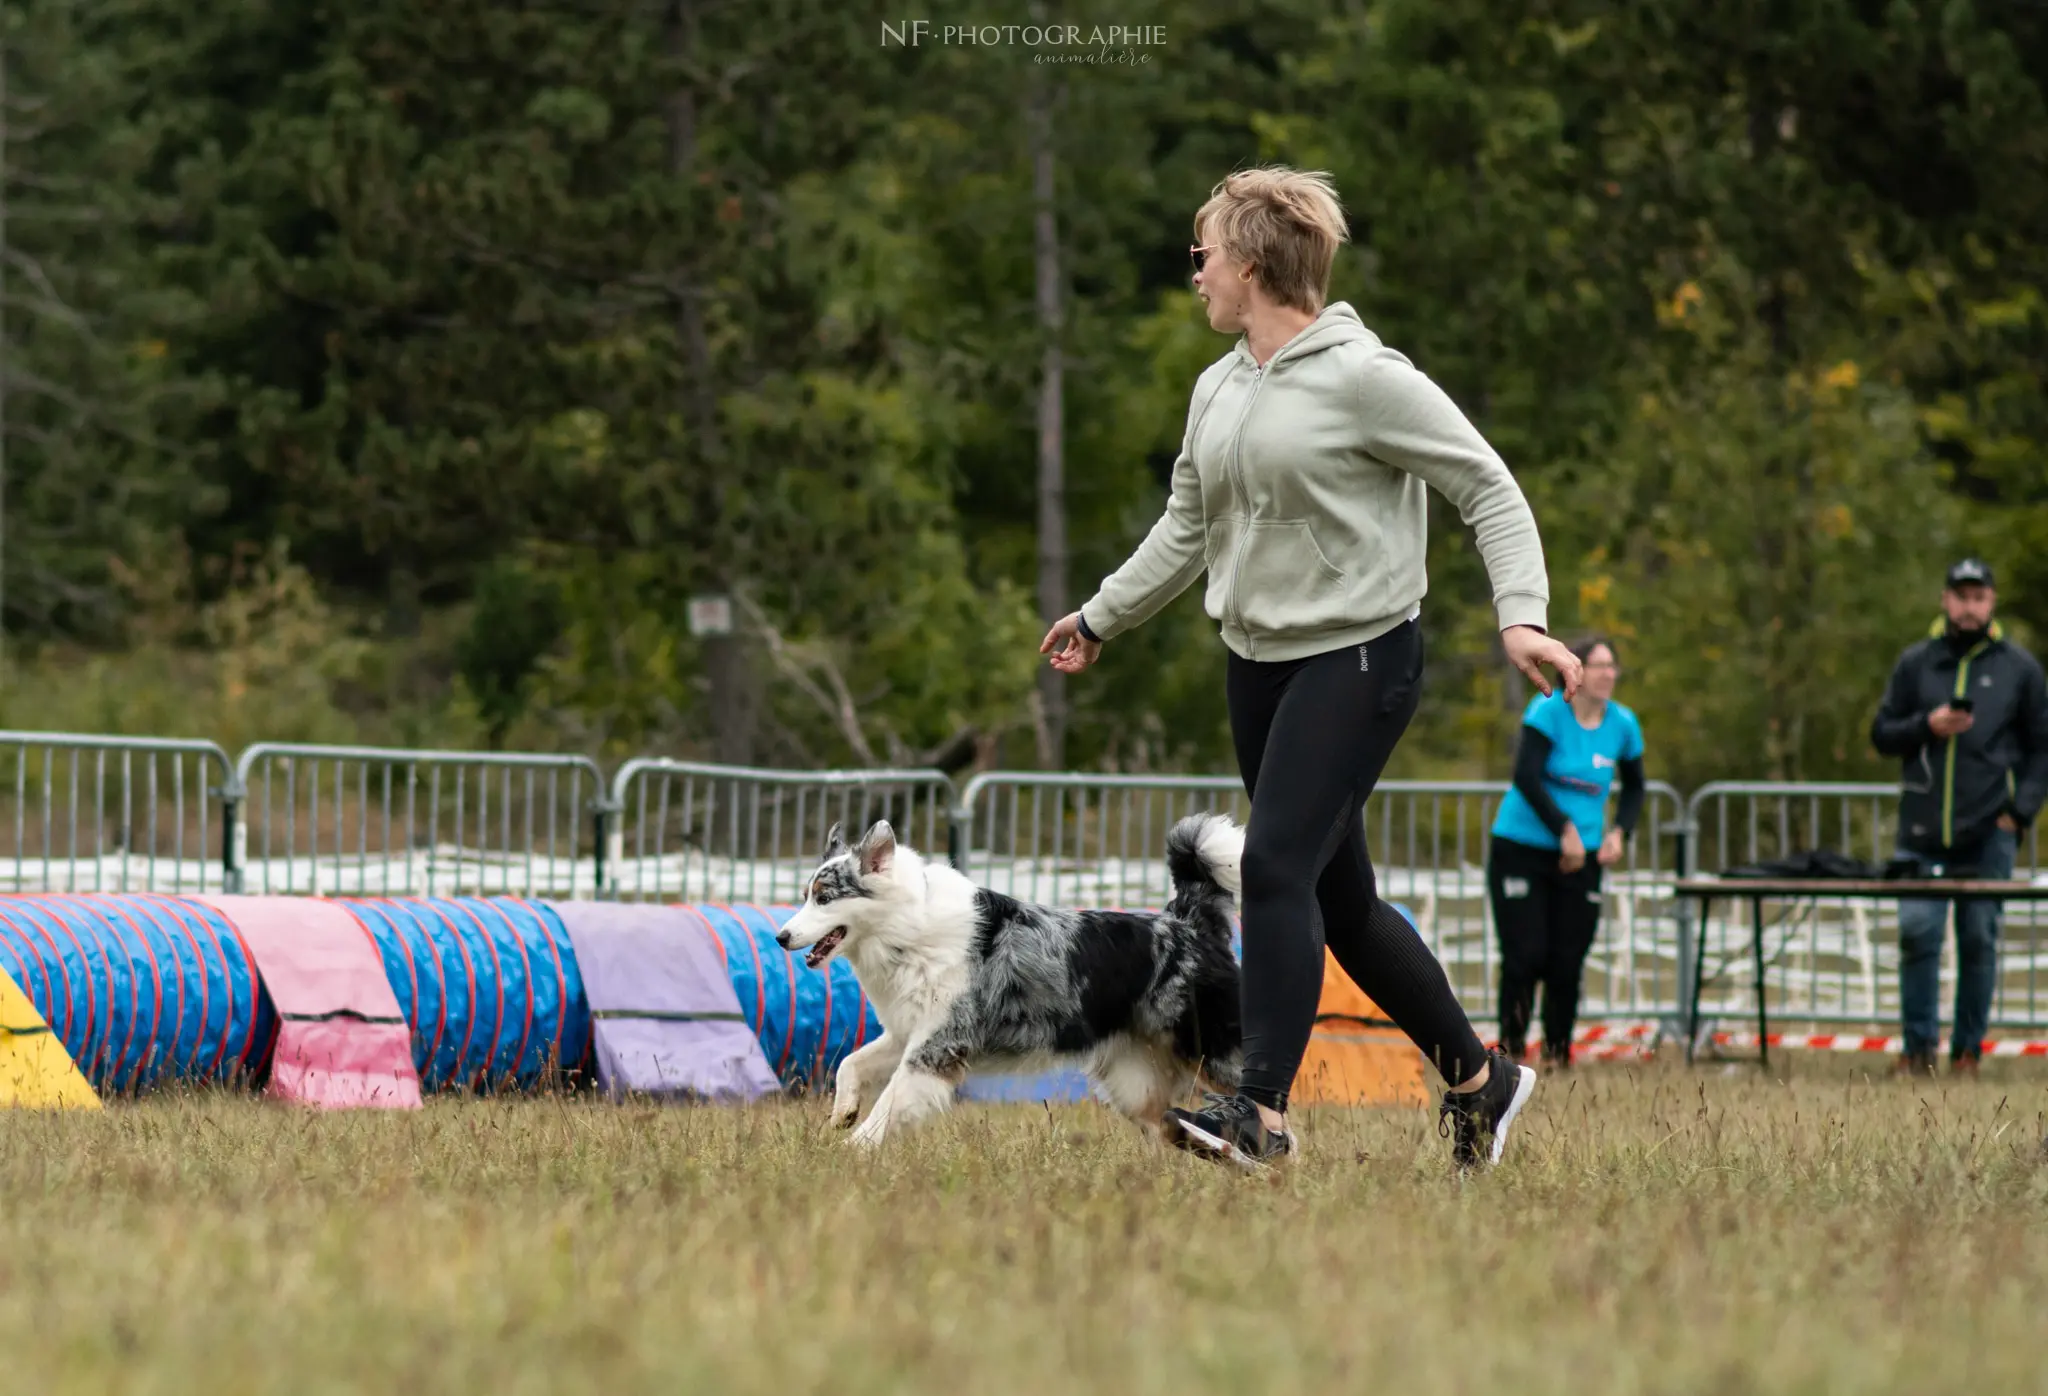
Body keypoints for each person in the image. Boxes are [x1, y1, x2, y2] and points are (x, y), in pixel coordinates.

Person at [1038, 166, 1581, 1170]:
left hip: (1360, 655)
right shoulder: (1218, 386)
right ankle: (1479, 1078)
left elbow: (1487, 488)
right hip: (1259, 665)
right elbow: (1185, 527)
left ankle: (1260, 1114)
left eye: (1201, 254)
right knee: (1340, 907)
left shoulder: (1366, 377)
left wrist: (1521, 618)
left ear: (1249, 264)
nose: (1193, 272)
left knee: (1274, 866)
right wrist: (1100, 616)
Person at [1871, 558, 2048, 1077]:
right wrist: (1927, 725)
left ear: (1991, 602)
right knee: (1918, 936)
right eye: (1960, 595)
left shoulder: (2020, 668)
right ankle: (1916, 1050)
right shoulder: (1915, 663)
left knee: (1978, 940)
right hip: (1922, 830)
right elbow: (1881, 734)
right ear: (1945, 599)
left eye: (1979, 597)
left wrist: (2021, 812)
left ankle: (1968, 1051)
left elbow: (2043, 747)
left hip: (1989, 831)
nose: (1969, 606)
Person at [1487, 636, 1645, 1070]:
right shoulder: (1548, 711)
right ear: (1574, 670)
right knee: (1525, 955)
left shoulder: (1623, 724)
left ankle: (1558, 1058)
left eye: (1612, 666)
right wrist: (1565, 830)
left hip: (1584, 856)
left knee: (1567, 959)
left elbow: (1635, 787)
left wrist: (1619, 833)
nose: (1607, 674)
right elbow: (1526, 776)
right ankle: (1510, 1058)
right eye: (1597, 665)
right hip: (1522, 847)